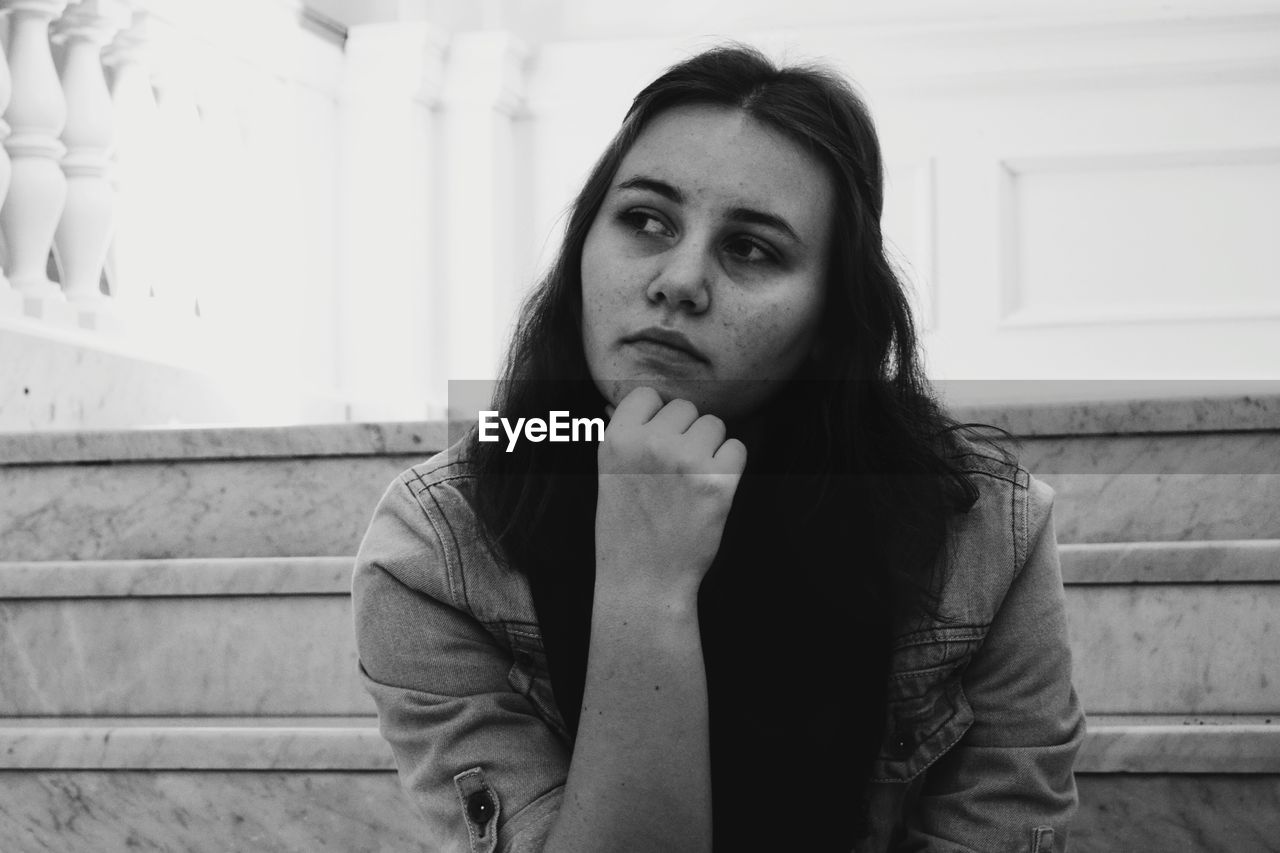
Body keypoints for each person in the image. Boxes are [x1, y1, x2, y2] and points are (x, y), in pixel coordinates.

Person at [352, 44, 1084, 853]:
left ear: (829, 321)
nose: (680, 278)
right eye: (645, 220)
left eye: (752, 249)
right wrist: (646, 582)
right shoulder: (437, 549)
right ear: (581, 248)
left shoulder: (984, 533)